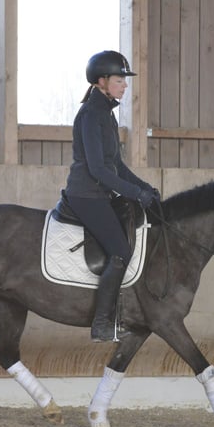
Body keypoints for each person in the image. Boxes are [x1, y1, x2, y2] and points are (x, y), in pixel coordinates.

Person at [62, 50, 160, 342]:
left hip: (99, 194)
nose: (125, 85)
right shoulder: (92, 115)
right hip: (85, 195)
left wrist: (145, 188)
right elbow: (98, 169)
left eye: (124, 81)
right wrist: (134, 194)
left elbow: (116, 165)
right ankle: (102, 323)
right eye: (120, 80)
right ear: (102, 81)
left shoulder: (106, 113)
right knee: (120, 250)